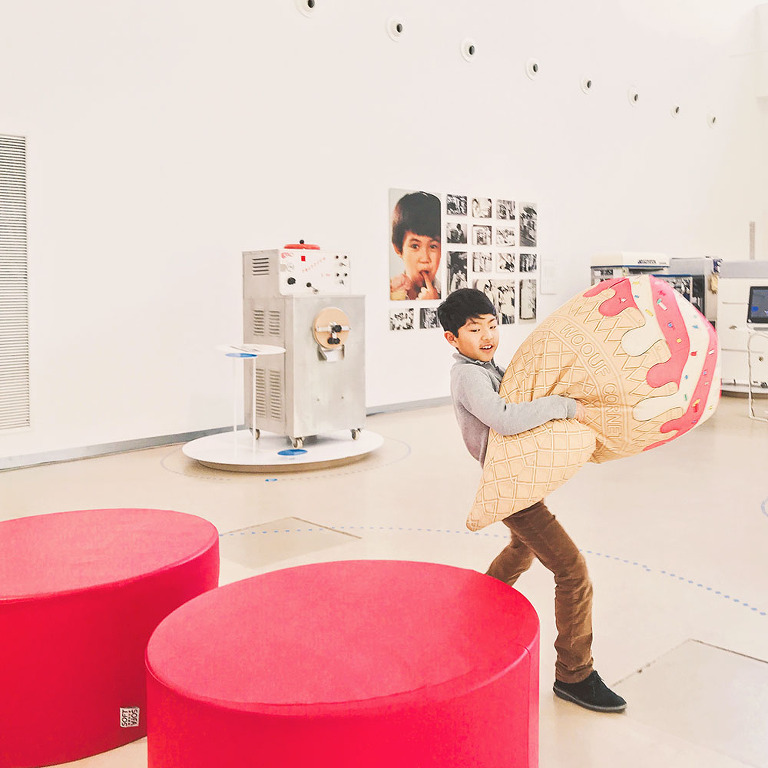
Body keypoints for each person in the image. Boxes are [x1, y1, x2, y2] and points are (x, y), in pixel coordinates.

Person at [437, 288, 627, 713]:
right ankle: (574, 675)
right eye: (474, 329)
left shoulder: (485, 365)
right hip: (511, 486)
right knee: (573, 572)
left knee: (523, 546)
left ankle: (478, 611)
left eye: (491, 325)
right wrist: (563, 406)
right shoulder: (469, 376)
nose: (487, 335)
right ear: (452, 338)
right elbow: (504, 417)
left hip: (520, 477)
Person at [390, 191, 441, 300]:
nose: (425, 258)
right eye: (415, 246)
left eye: (433, 246)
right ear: (398, 248)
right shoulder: (389, 293)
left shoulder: (449, 294)